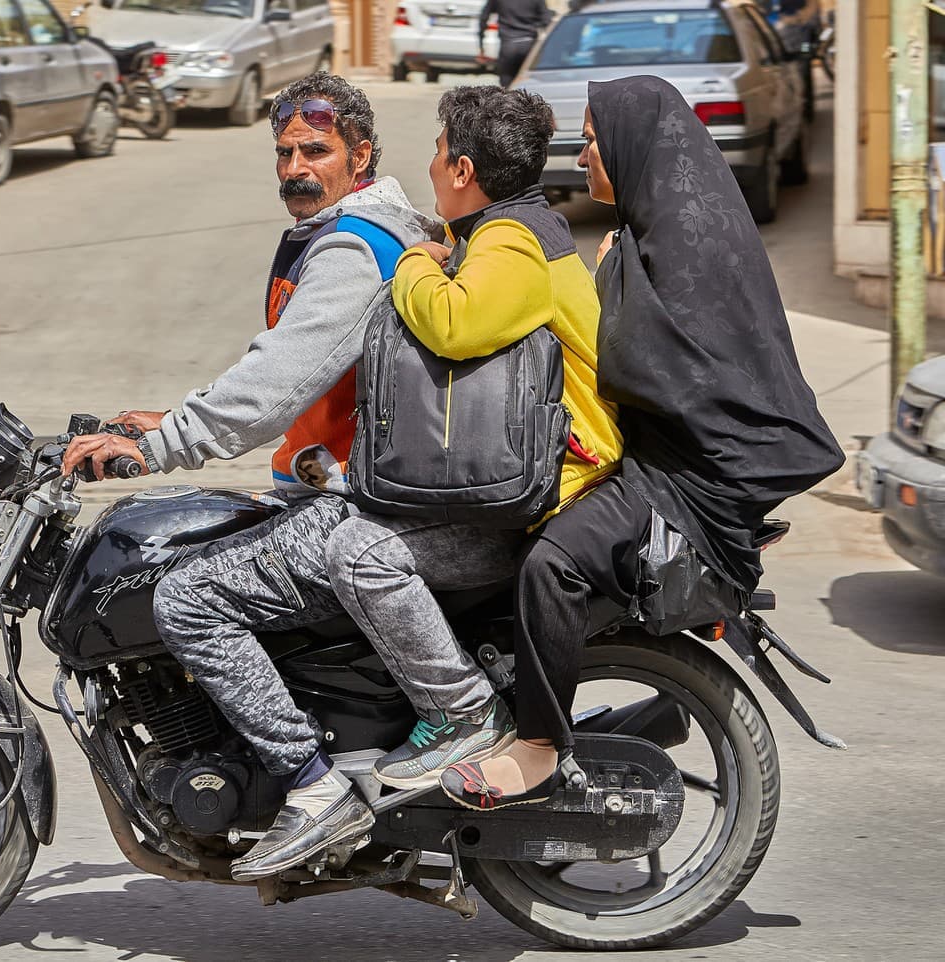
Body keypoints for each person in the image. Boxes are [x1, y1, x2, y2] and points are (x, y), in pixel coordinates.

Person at [62, 74, 435, 880]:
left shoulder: (354, 247)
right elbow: (281, 375)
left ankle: (311, 784)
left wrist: (157, 450)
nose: (296, 166)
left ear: (361, 155)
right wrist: (166, 419)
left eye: (317, 150)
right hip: (315, 481)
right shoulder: (339, 232)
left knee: (185, 596)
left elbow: (271, 390)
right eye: (285, 151)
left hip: (342, 498)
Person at [439, 76, 845, 810]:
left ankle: (537, 747)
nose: (584, 154)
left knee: (552, 565)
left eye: (594, 141)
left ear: (632, 151)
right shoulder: (648, 230)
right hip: (664, 460)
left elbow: (644, 367)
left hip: (693, 479)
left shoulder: (688, 245)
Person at [325, 85, 623, 791]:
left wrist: (413, 262)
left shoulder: (515, 242)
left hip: (557, 481)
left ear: (463, 172)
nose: (429, 164)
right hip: (523, 469)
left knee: (358, 553)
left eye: (436, 151)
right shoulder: (506, 229)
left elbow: (456, 324)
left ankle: (460, 715)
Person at [479, 0, 553, 88]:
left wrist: (481, 43)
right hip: (529, 46)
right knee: (530, 84)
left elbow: (484, 17)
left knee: (506, 85)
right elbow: (546, 21)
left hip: (508, 46)